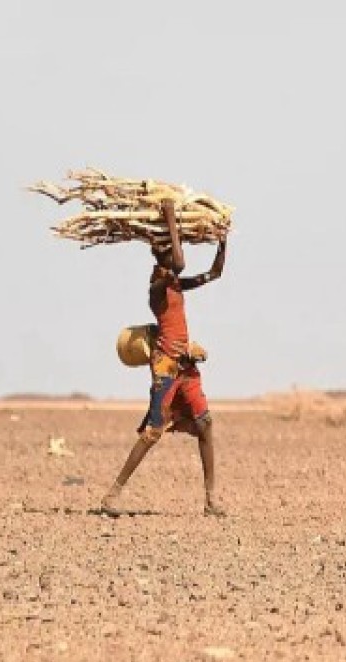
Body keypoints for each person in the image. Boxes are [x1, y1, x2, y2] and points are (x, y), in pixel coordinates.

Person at [100, 200, 227, 517]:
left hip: (185, 365)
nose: (177, 252)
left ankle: (211, 501)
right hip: (166, 367)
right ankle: (111, 496)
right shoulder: (157, 286)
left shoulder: (174, 283)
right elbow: (181, 263)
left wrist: (223, 241)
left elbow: (214, 273)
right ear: (163, 256)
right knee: (152, 434)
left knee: (206, 423)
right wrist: (171, 218)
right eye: (173, 249)